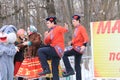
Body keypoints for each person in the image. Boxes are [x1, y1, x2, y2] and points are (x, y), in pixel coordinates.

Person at [62, 15, 89, 80]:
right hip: (77, 48)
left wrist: (84, 45)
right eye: (72, 21)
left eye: (74, 21)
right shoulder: (76, 29)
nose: (72, 22)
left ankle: (69, 69)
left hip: (78, 48)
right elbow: (77, 39)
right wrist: (72, 42)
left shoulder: (81, 28)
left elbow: (86, 38)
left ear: (78, 21)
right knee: (77, 65)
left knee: (64, 54)